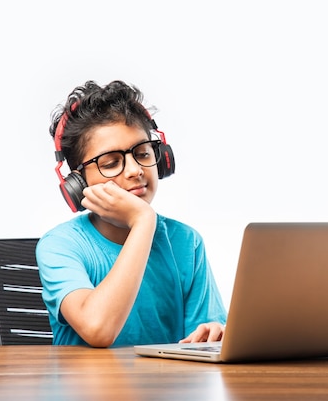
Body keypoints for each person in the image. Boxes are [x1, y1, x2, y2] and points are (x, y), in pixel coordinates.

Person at [36, 80, 227, 348]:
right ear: (77, 184)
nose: (135, 170)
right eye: (112, 162)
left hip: (165, 388)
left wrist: (214, 333)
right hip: (83, 389)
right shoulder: (60, 246)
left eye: (142, 153)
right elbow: (98, 329)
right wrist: (142, 221)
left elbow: (203, 343)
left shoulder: (187, 243)